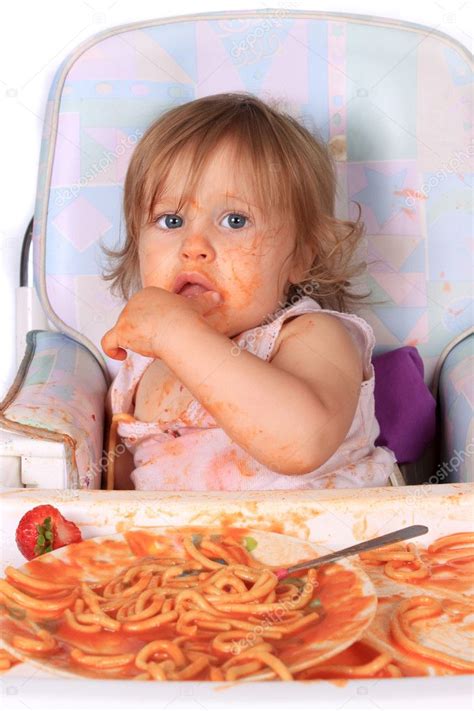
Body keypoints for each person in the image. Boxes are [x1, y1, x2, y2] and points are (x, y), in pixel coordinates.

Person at [100, 92, 397, 491]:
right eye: (171, 220)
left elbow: (300, 445)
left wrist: (177, 334)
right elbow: (115, 495)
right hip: (176, 550)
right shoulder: (139, 368)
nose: (194, 246)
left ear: (301, 257)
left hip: (339, 545)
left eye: (235, 220)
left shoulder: (312, 337)